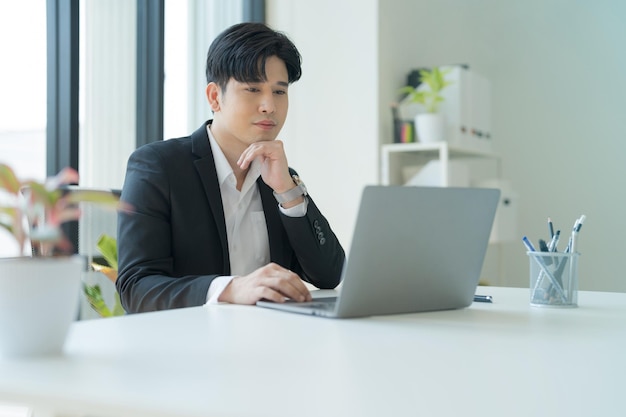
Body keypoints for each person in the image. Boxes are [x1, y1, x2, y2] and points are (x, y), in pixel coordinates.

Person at [116, 22, 346, 313]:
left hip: (275, 344)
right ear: (215, 97)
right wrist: (230, 288)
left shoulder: (278, 177)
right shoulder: (158, 166)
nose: (269, 106)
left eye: (279, 92)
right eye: (252, 89)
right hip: (191, 347)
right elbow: (136, 288)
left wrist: (289, 193)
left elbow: (328, 275)